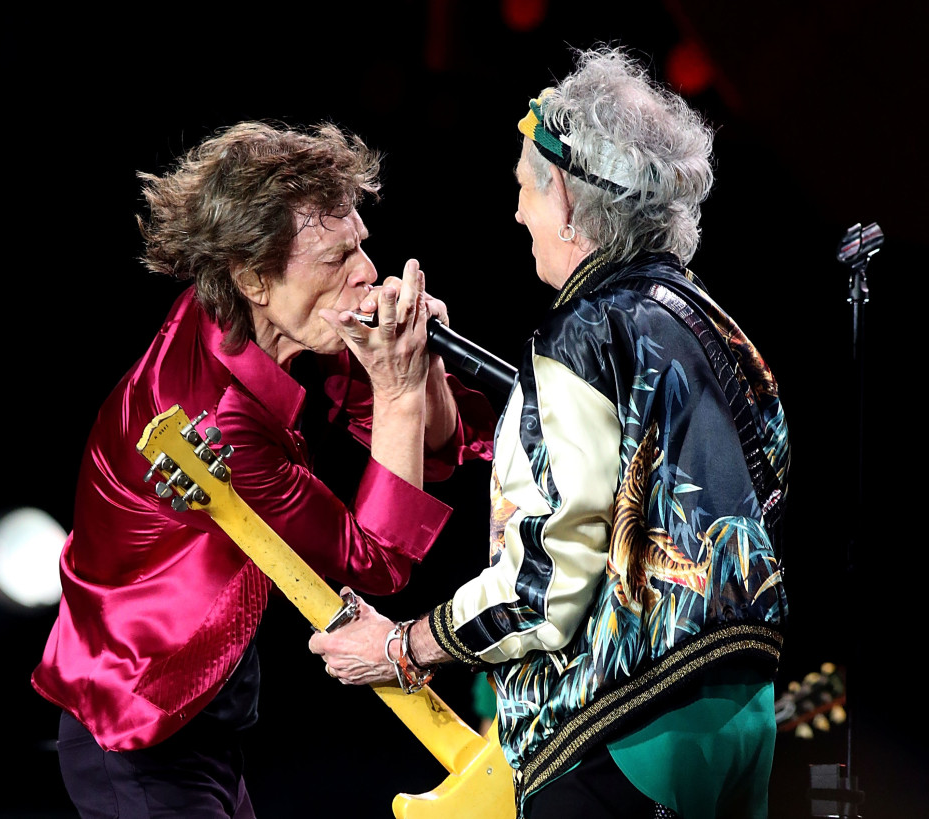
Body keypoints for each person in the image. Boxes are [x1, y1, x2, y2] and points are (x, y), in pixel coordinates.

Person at [309, 45, 790, 819]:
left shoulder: (581, 334)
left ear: (565, 197)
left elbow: (542, 590)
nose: (519, 212)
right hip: (741, 716)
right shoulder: (716, 329)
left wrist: (403, 646)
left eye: (526, 188)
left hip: (622, 732)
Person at [31, 120, 496, 818]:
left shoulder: (261, 315)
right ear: (253, 275)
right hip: (139, 733)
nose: (367, 271)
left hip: (207, 723)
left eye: (362, 246)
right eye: (337, 258)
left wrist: (417, 371)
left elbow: (445, 439)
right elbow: (375, 561)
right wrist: (400, 389)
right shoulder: (211, 418)